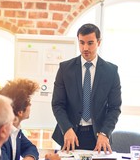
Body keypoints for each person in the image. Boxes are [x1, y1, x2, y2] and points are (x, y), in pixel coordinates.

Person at [51, 23, 122, 153]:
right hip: (70, 135)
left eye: (90, 43)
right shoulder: (65, 69)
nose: (85, 48)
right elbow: (57, 104)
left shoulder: (111, 71)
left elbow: (114, 108)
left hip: (98, 136)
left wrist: (105, 133)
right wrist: (66, 129)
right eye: (81, 43)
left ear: (98, 43)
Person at [0, 79, 61, 160]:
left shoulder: (15, 130)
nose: (31, 105)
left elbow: (30, 147)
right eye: (29, 102)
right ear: (20, 112)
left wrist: (30, 157)